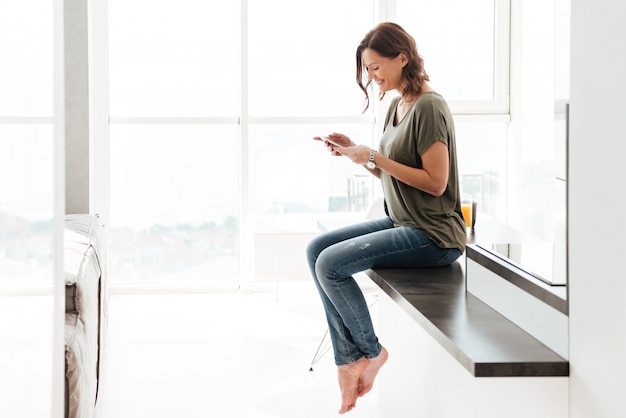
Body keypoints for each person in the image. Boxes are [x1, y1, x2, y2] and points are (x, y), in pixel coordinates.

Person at [306, 22, 467, 414]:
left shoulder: (430, 106)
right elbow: (390, 171)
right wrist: (356, 155)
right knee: (317, 250)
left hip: (433, 235)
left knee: (330, 264)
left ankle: (369, 353)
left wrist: (373, 156)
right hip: (402, 222)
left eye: (377, 68)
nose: (371, 77)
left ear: (402, 59)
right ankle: (349, 360)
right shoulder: (398, 104)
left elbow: (435, 182)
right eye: (368, 69)